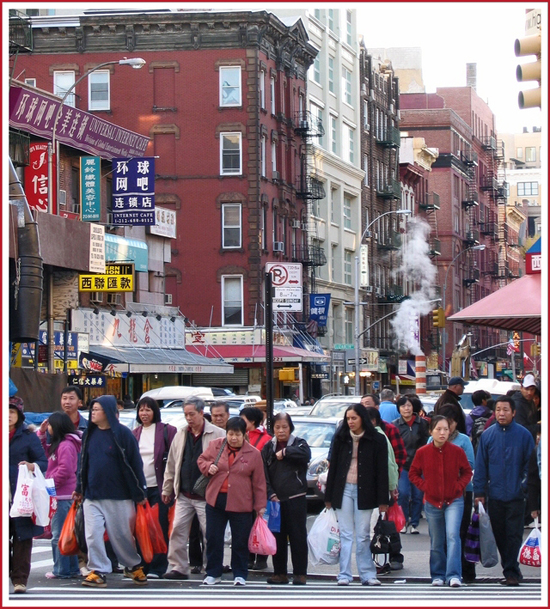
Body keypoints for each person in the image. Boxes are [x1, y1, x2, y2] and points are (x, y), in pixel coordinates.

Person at [73, 395, 148, 588]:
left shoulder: (123, 434)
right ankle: (98, 570)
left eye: (96, 409)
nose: (93, 413)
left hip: (120, 495)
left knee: (122, 535)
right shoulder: (89, 434)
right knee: (92, 534)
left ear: (107, 412)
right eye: (92, 410)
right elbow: (83, 463)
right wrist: (79, 488)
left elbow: (135, 464)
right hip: (92, 495)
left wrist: (140, 492)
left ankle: (132, 565)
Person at [473, 396, 535, 586]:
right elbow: (481, 466)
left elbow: (530, 466)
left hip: (517, 496)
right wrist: (480, 493)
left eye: (505, 409)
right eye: (498, 409)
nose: (501, 413)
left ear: (513, 412)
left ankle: (511, 572)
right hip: (495, 495)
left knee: (514, 535)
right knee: (499, 534)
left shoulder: (524, 435)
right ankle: (510, 569)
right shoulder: (488, 435)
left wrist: (524, 487)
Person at [197, 417, 267, 586]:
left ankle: (240, 573)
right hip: (216, 500)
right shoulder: (215, 445)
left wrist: (260, 506)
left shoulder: (253, 453)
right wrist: (208, 467)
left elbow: (259, 482)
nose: (233, 438)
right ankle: (213, 572)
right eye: (230, 434)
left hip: (241, 502)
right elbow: (201, 460)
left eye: (237, 434)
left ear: (244, 435)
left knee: (240, 540)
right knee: (213, 538)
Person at [324, 403, 389, 586]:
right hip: (343, 488)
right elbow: (334, 467)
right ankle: (344, 574)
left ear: (363, 418)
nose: (350, 422)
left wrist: (383, 500)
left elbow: (382, 471)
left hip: (366, 491)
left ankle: (367, 574)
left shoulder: (376, 439)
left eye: (354, 418)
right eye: (348, 419)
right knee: (345, 534)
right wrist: (328, 497)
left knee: (362, 534)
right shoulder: (341, 438)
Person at [161, 396, 225, 580]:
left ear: (201, 412)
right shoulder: (181, 434)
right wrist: (167, 489)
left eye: (192, 414)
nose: (189, 418)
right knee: (177, 531)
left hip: (207, 494)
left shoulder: (217, 433)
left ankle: (211, 567)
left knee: (209, 534)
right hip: (184, 492)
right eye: (186, 414)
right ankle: (178, 567)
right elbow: (172, 464)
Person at [409, 415, 472, 587]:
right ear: (431, 432)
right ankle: (437, 574)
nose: (442, 433)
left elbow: (467, 472)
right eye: (438, 429)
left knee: (453, 535)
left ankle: (454, 575)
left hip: (454, 500)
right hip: (432, 500)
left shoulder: (457, 451)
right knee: (437, 539)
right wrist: (426, 486)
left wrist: (459, 486)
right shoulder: (423, 452)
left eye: (445, 429)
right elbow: (413, 473)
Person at [262, 412, 311, 585]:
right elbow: (263, 474)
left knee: (297, 535)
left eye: (284, 427)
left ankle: (300, 573)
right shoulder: (268, 447)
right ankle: (279, 573)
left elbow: (306, 456)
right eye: (277, 427)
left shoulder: (299, 443)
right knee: (278, 536)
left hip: (296, 497)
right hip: (275, 499)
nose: (281, 430)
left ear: (290, 427)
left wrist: (286, 451)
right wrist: (270, 493)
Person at [132, 397, 177, 578]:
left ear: (155, 412)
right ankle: (142, 564)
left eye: (148, 410)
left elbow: (175, 458)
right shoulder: (134, 433)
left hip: (159, 487)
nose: (144, 413)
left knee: (159, 526)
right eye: (141, 410)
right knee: (140, 527)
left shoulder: (167, 431)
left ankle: (158, 566)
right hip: (139, 488)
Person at [430, 404, 476, 583]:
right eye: (441, 425)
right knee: (439, 536)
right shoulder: (431, 441)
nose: (445, 429)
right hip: (436, 494)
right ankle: (440, 573)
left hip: (461, 492)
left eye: (450, 424)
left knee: (458, 533)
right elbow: (422, 469)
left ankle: (464, 572)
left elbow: (470, 465)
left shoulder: (463, 440)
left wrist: (455, 481)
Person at [9, 396, 48, 594]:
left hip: (21, 495)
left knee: (22, 538)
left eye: (12, 412)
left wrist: (32, 466)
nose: (7, 416)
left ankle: (20, 580)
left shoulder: (28, 436)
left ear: (19, 416)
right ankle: (9, 569)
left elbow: (43, 462)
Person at [37, 412, 82, 580]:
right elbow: (43, 452)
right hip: (61, 495)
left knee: (59, 535)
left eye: (49, 426)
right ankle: (70, 569)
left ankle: (61, 570)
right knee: (67, 534)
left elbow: (66, 469)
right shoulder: (62, 444)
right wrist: (41, 433)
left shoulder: (66, 445)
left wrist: (49, 482)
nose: (48, 429)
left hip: (62, 496)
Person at [240, 406, 272, 570]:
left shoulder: (265, 439)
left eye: (243, 419)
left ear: (252, 421)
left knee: (261, 521)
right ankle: (249, 556)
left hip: (260, 487)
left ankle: (261, 558)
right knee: (247, 523)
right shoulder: (240, 437)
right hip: (244, 489)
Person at [392, 396, 430, 534]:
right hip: (402, 465)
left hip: (419, 466)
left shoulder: (422, 424)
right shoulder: (395, 425)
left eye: (408, 406)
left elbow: (427, 442)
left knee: (418, 496)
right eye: (403, 406)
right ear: (399, 409)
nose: (406, 409)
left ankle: (414, 523)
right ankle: (403, 521)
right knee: (402, 493)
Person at [512, 373, 539, 440]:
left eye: (532, 389)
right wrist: (540, 427)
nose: (529, 392)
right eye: (527, 389)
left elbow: (533, 418)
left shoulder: (530, 402)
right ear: (521, 388)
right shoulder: (517, 404)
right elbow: (521, 428)